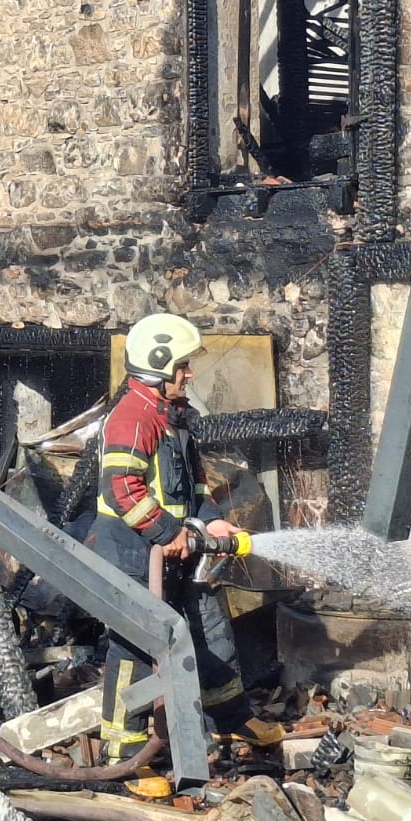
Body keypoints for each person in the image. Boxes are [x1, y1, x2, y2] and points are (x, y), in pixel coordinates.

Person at [90, 312, 282, 760]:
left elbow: (194, 486)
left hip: (177, 553)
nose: (189, 374)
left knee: (211, 631)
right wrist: (166, 532)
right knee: (135, 648)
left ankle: (229, 720)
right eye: (182, 366)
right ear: (157, 365)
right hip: (136, 557)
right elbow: (121, 488)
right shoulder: (133, 417)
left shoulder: (173, 419)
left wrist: (211, 521)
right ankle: (124, 753)